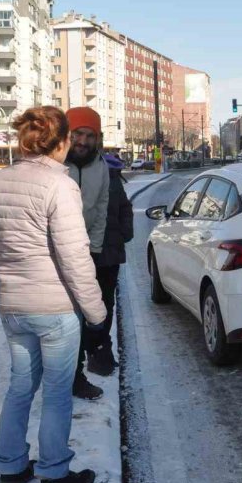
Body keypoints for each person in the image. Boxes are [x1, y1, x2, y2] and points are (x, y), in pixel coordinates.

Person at [0, 106, 107, 483]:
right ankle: (54, 473)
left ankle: (12, 467)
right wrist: (96, 312)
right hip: (54, 309)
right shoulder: (61, 186)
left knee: (19, 387)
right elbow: (74, 256)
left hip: (13, 305)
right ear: (62, 141)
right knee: (55, 391)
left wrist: (16, 264)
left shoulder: (0, 180)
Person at [64, 108, 112, 396]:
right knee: (61, 320)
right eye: (77, 134)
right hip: (53, 253)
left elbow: (101, 208)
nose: (82, 141)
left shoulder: (101, 166)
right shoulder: (54, 163)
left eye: (89, 135)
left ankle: (75, 375)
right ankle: (58, 376)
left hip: (85, 253)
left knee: (80, 319)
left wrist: (93, 250)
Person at [87, 151, 134, 376]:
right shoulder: (106, 178)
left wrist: (124, 233)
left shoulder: (108, 179)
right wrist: (124, 233)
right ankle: (99, 351)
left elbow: (124, 209)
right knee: (101, 304)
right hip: (95, 251)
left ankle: (100, 351)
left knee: (100, 304)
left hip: (105, 251)